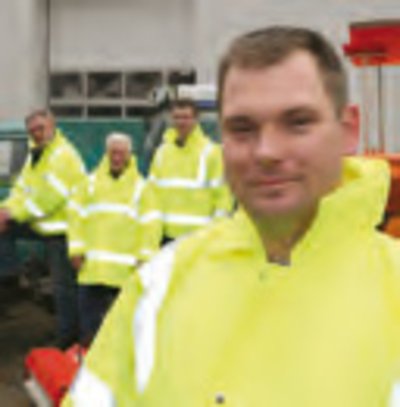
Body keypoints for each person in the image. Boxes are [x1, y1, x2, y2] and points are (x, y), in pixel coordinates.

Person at [64, 26, 400, 406]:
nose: (267, 151)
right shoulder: (158, 287)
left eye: (297, 122)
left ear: (348, 130)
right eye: (243, 128)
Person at [0, 109, 85, 349]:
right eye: (32, 130)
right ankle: (9, 278)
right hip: (43, 225)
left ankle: (68, 340)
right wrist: (5, 211)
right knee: (3, 228)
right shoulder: (36, 155)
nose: (37, 134)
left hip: (64, 230)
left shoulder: (62, 155)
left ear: (52, 126)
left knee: (63, 288)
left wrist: (12, 214)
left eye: (41, 128)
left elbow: (48, 199)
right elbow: (20, 190)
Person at [68, 132, 161, 345]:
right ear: (106, 153)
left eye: (121, 153)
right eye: (113, 153)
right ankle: (89, 360)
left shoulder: (142, 188)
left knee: (125, 328)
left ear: (129, 155)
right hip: (93, 270)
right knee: (90, 329)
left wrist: (145, 258)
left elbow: (151, 226)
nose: (117, 158)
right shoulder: (89, 184)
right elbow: (75, 217)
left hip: (126, 272)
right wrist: (76, 250)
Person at [149, 98, 232, 244]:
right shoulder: (162, 153)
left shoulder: (211, 153)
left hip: (201, 238)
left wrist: (216, 234)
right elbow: (151, 195)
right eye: (177, 117)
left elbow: (223, 197)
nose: (181, 122)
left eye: (186, 117)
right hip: (166, 237)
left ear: (196, 119)